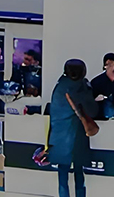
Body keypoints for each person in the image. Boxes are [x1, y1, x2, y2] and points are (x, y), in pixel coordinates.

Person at [47, 59, 96, 197]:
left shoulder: (59, 86)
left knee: (62, 174)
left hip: (58, 136)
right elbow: (92, 110)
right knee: (79, 173)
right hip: (76, 136)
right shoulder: (81, 87)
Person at [89, 52, 114, 120]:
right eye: (107, 64)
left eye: (111, 63)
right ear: (104, 66)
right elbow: (90, 100)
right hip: (102, 118)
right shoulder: (96, 82)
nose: (110, 67)